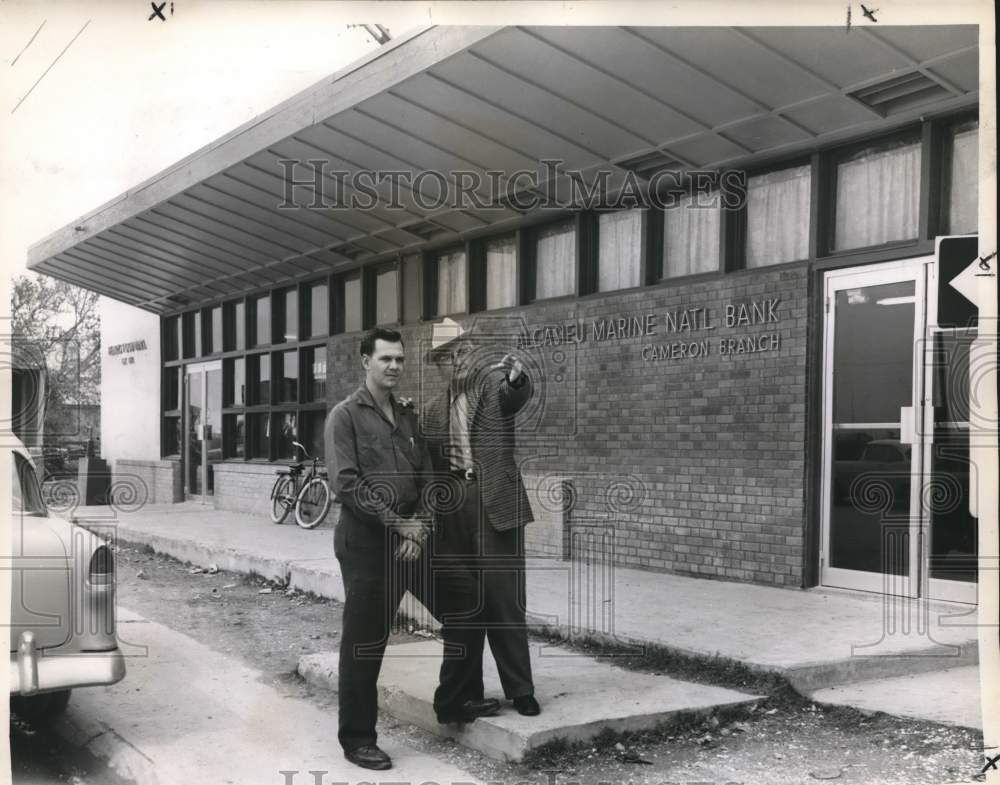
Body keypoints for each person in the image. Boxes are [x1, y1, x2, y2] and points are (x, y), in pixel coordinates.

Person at [325, 326, 497, 771]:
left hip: (412, 538)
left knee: (468, 600)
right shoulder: (344, 416)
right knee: (367, 640)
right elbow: (346, 484)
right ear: (367, 362)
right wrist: (400, 525)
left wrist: (418, 524)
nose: (394, 367)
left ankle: (454, 701)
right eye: (386, 359)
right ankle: (358, 737)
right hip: (367, 543)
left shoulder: (406, 415)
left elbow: (425, 476)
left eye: (400, 359)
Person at [423, 323, 541, 722]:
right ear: (437, 365)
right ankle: (467, 691)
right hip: (453, 508)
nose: (454, 360)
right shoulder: (433, 410)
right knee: (464, 603)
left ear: (471, 350)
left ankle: (521, 690)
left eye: (459, 351)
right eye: (444, 357)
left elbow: (514, 396)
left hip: (494, 502)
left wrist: (517, 378)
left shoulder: (492, 386)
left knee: (504, 600)